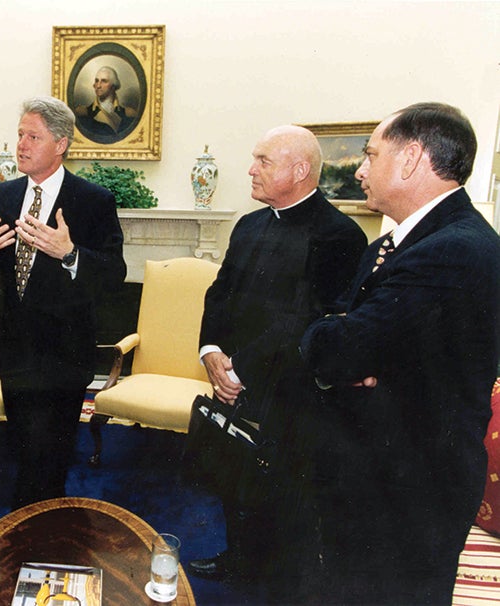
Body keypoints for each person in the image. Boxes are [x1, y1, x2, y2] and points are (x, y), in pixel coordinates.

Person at [301, 102, 500, 604]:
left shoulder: (453, 249)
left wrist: (341, 343)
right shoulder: (395, 243)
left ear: (411, 159)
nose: (361, 170)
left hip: (410, 490)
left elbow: (337, 351)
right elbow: (345, 336)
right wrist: (345, 341)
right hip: (380, 476)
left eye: (370, 154)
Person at [183, 125, 367, 602]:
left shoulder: (339, 235)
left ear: (299, 170)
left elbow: (306, 319)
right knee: (233, 468)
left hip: (291, 388)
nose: (250, 169)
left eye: (263, 160)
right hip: (232, 375)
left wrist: (238, 368)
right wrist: (211, 353)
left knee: (283, 488)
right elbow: (219, 293)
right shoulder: (249, 224)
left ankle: (274, 578)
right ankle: (238, 557)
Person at [0, 96, 126, 509]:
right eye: (20, 134)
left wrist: (70, 253)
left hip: (63, 355)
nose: (21, 144)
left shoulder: (92, 200)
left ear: (61, 144)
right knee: (22, 452)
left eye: (32, 136)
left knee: (50, 461)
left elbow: (114, 274)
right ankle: (24, 532)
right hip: (14, 351)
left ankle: (42, 538)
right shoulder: (2, 195)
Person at [73, 66, 139, 144]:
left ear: (113, 86)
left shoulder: (129, 114)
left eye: (104, 81)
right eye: (97, 81)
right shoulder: (83, 113)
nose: (98, 86)